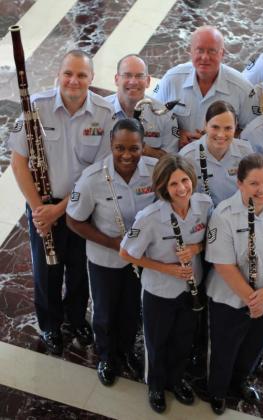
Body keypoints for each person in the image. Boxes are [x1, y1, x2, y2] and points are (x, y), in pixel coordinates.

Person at [9, 50, 114, 355]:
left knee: (80, 269)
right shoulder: (36, 108)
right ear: (59, 74)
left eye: (82, 75)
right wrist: (40, 211)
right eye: (68, 73)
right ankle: (50, 324)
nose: (74, 80)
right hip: (42, 204)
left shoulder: (104, 114)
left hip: (82, 208)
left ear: (92, 79)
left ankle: (76, 317)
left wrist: (59, 210)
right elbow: (19, 164)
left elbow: (98, 173)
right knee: (46, 270)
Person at [205, 153, 263, 415]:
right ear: (240, 184)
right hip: (230, 299)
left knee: (253, 347)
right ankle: (217, 390)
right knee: (224, 348)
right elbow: (222, 264)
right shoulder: (224, 214)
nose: (262, 190)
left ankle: (242, 381)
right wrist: (251, 298)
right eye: (254, 184)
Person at [66, 118, 156, 386]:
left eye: (134, 148)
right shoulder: (93, 178)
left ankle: (126, 350)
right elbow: (73, 220)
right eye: (120, 148)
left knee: (131, 308)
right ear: (111, 145)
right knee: (104, 311)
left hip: (140, 260)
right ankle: (105, 355)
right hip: (105, 258)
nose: (126, 155)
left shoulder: (154, 172)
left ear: (143, 146)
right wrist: (113, 244)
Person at [120, 155, 212, 414]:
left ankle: (176, 378)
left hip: (191, 288)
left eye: (185, 180)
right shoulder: (149, 217)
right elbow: (126, 253)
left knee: (184, 339)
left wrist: (195, 247)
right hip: (159, 292)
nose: (182, 188)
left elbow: (211, 240)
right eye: (173, 184)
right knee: (157, 341)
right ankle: (156, 385)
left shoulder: (204, 205)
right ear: (163, 187)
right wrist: (167, 269)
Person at [153, 25, 258, 148]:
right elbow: (155, 120)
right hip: (179, 159)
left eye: (211, 51)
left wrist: (219, 138)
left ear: (222, 53)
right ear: (190, 51)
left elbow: (253, 132)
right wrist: (177, 133)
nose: (205, 57)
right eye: (200, 50)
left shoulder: (242, 88)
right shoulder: (171, 79)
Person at [180, 100, 253, 207]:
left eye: (228, 128)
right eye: (215, 127)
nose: (221, 135)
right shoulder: (186, 157)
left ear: (235, 126)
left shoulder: (246, 151)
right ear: (205, 125)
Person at [105, 54, 179, 158]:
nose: (133, 81)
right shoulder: (100, 111)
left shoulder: (165, 116)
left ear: (148, 81)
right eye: (127, 75)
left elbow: (171, 160)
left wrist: (145, 150)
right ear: (117, 79)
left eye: (139, 76)